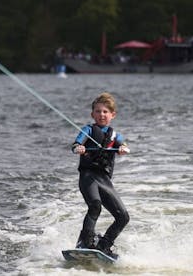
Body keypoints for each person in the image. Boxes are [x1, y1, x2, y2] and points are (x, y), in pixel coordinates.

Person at [71, 92, 130, 259]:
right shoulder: (88, 130)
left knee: (123, 217)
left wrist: (123, 149)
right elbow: (76, 143)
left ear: (112, 115)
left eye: (105, 112)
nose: (101, 115)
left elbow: (123, 144)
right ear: (92, 114)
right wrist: (78, 148)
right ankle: (85, 242)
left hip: (104, 181)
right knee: (95, 205)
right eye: (98, 111)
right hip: (88, 177)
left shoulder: (115, 136)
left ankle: (104, 246)